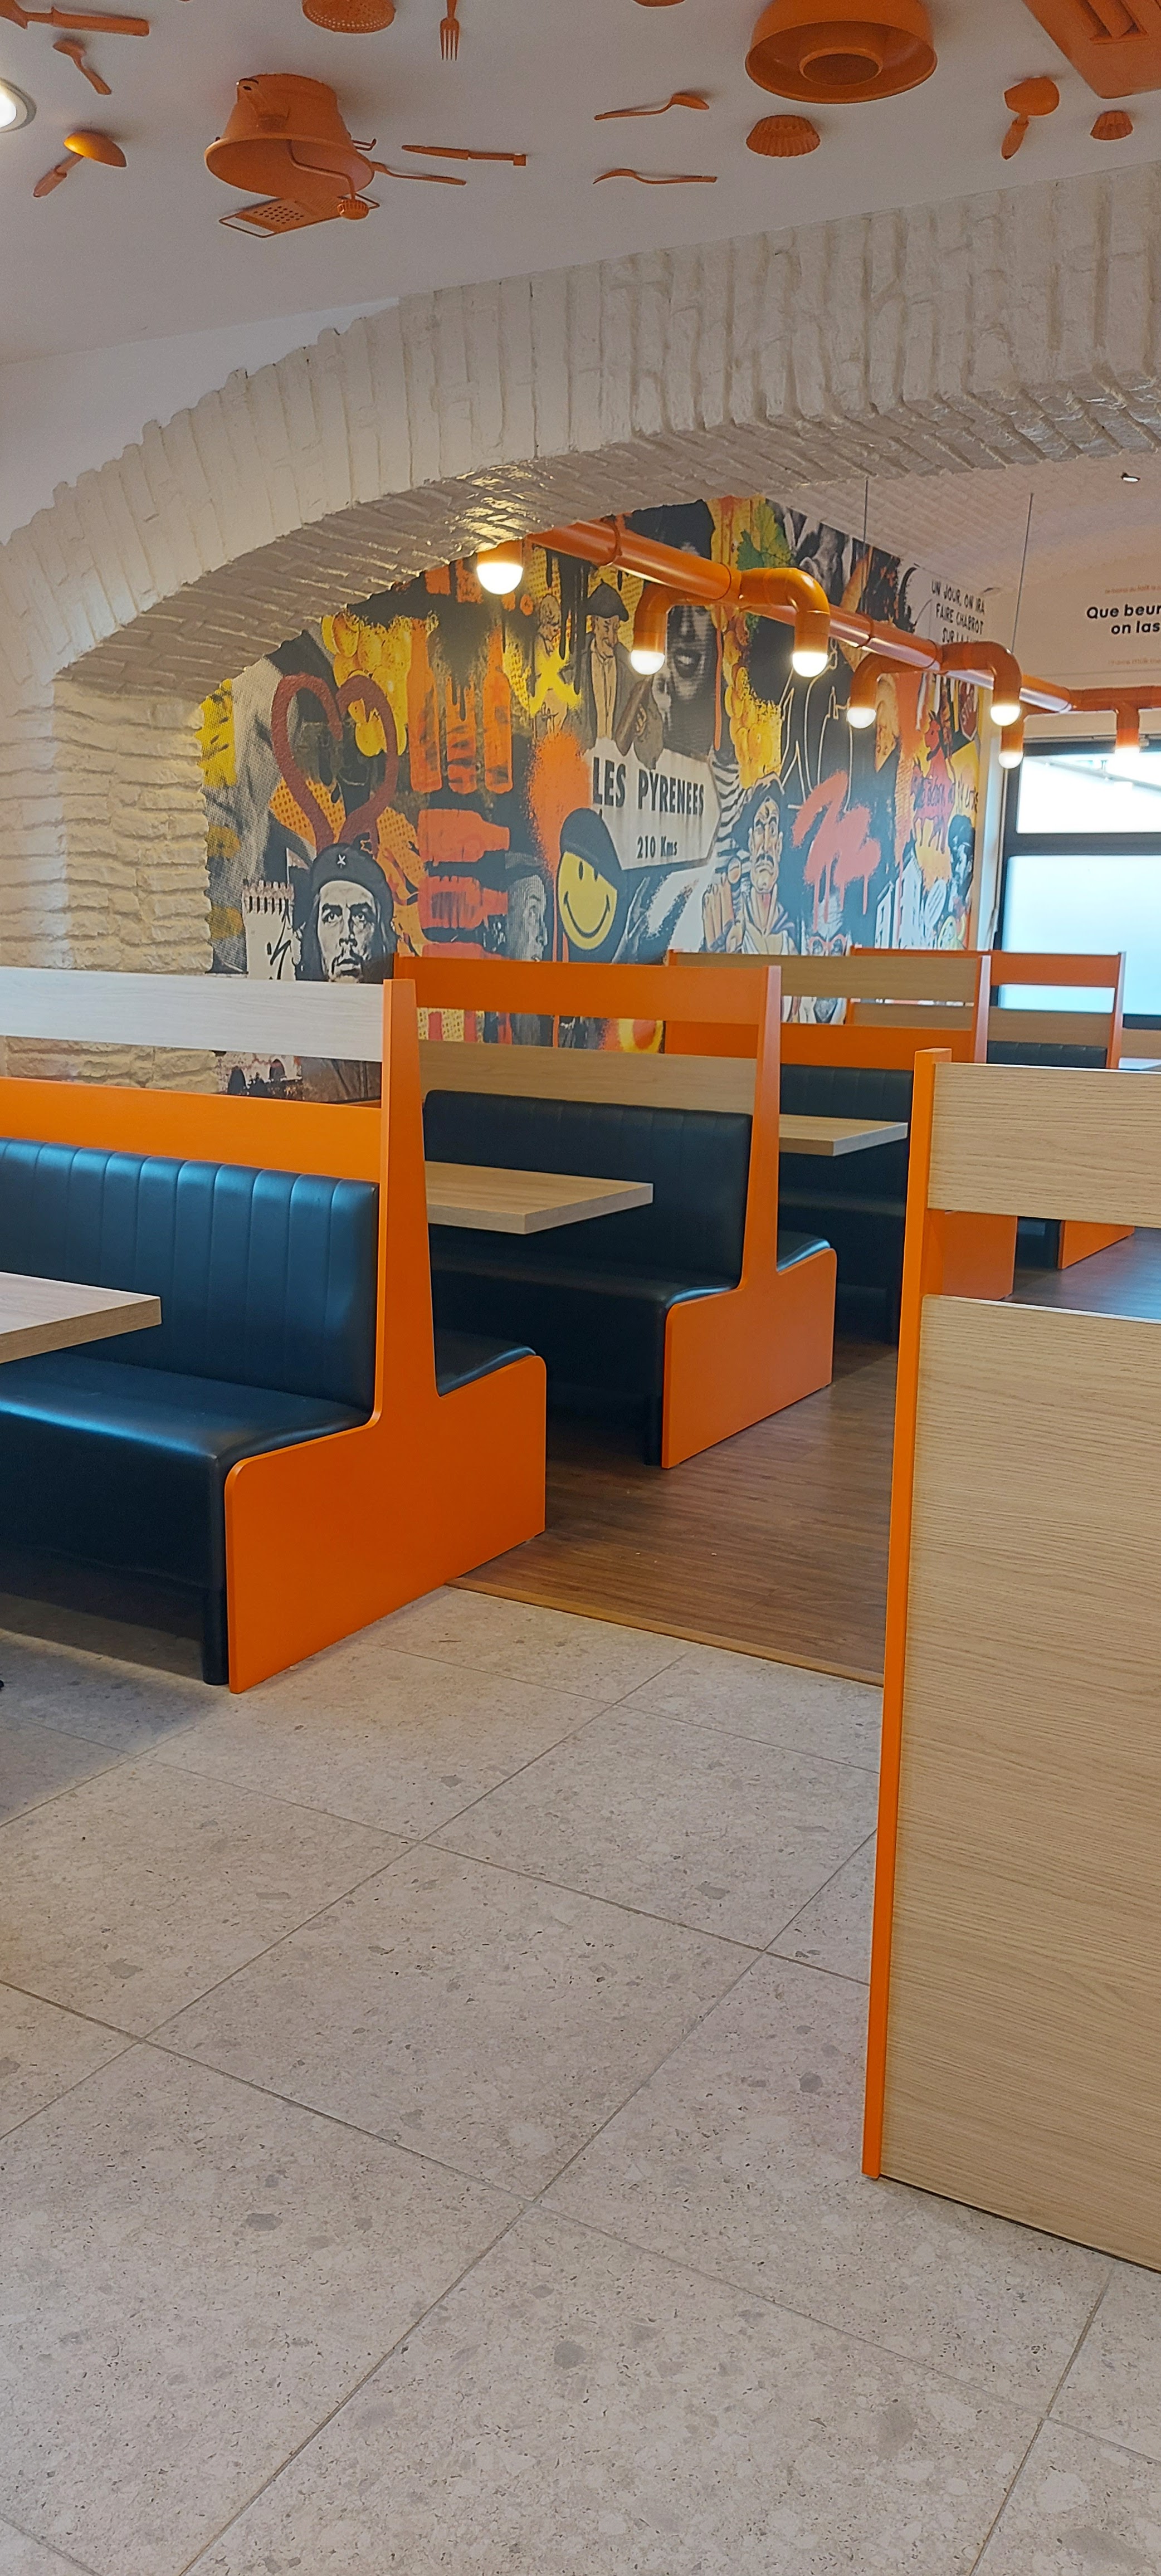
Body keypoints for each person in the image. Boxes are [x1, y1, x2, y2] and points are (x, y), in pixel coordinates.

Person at [296, 842, 396, 1102]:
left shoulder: (396, 1032)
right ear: (315, 933)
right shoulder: (297, 1034)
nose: (346, 936)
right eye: (332, 917)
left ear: (380, 935)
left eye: (361, 917)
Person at [702, 779, 798, 955]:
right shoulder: (732, 920)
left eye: (773, 830)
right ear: (751, 842)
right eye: (760, 828)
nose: (766, 845)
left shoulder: (789, 934)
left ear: (780, 845)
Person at [578, 581, 663, 764]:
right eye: (606, 627)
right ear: (594, 624)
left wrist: (644, 730)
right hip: (578, 768)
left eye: (616, 629)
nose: (612, 639)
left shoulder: (633, 669)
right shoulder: (575, 663)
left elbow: (655, 740)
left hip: (615, 771)